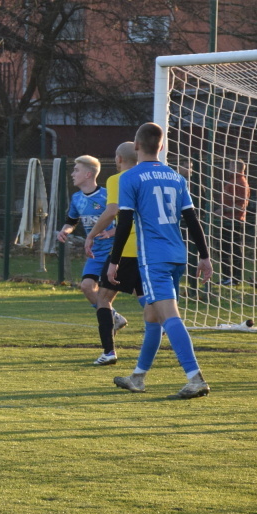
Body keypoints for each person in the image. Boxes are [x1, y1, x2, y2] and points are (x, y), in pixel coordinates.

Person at [107, 122, 213, 399]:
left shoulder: (130, 177)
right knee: (152, 315)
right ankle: (138, 377)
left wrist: (114, 261)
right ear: (161, 146)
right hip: (178, 256)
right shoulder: (176, 177)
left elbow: (124, 222)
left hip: (154, 259)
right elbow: (192, 220)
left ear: (136, 145)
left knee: (168, 316)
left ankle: (195, 378)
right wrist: (204, 256)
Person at [55, 155, 128, 349]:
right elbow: (72, 221)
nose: (72, 174)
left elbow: (126, 220)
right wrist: (65, 231)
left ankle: (159, 320)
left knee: (129, 290)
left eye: (76, 170)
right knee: (87, 286)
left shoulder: (107, 195)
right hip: (95, 253)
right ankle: (114, 317)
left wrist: (111, 232)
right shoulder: (77, 198)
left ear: (88, 174)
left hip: (114, 251)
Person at [84, 142, 145, 365]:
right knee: (146, 297)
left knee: (103, 298)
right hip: (148, 249)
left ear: (119, 158)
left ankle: (109, 352)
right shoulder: (146, 178)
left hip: (126, 248)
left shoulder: (116, 180)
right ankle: (166, 330)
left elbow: (112, 211)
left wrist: (92, 234)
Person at [215, 159, 250, 286]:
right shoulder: (233, 180)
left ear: (237, 167)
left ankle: (235, 278)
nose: (228, 168)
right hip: (227, 220)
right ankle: (227, 277)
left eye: (231, 165)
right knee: (223, 248)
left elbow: (240, 206)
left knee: (234, 249)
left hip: (234, 220)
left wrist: (223, 210)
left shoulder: (240, 182)